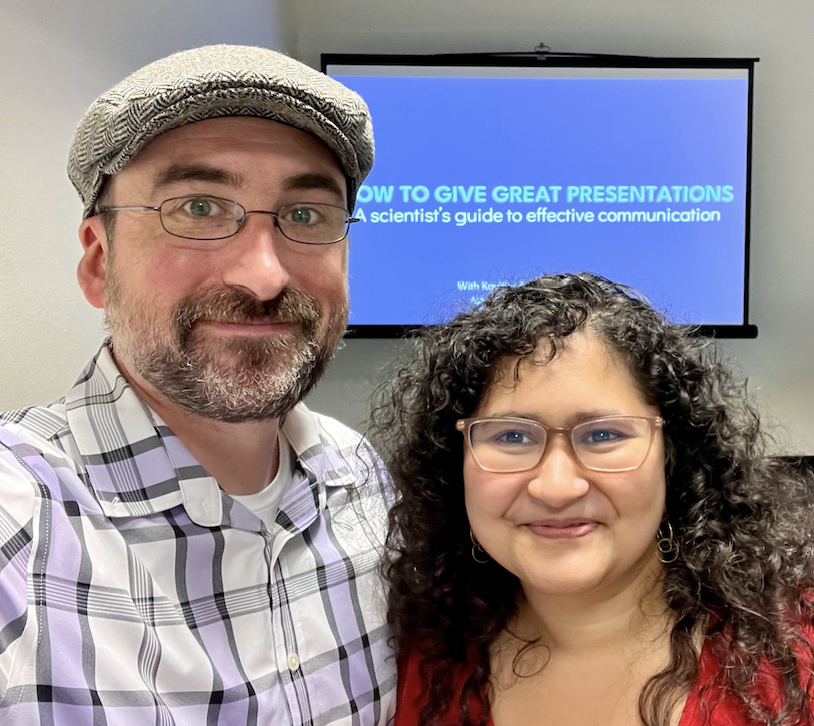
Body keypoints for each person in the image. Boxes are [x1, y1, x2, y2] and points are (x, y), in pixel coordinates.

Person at [0, 45, 394, 725]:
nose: (264, 277)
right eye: (200, 207)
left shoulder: (363, 479)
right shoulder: (20, 525)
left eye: (305, 216)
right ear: (99, 262)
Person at [371, 272, 814, 726]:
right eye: (511, 435)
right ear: (454, 462)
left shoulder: (796, 662)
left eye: (604, 435)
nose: (556, 486)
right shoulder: (424, 647)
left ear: (674, 456)